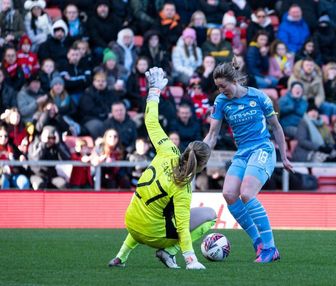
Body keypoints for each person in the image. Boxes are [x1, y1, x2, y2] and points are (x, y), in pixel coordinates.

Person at [108, 67, 216, 269]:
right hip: (153, 235)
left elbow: (150, 121)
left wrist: (154, 91)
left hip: (130, 221)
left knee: (150, 206)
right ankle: (168, 252)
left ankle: (120, 257)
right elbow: (183, 227)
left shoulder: (168, 148)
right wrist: (191, 259)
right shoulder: (183, 185)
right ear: (201, 165)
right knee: (210, 215)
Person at [203, 57, 293, 263]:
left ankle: (270, 248)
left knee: (247, 193)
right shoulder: (221, 102)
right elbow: (212, 135)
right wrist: (199, 156)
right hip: (243, 152)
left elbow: (277, 127)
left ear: (233, 81)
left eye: (223, 86)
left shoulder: (259, 97)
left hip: (262, 148)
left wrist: (285, 157)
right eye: (217, 87)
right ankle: (258, 243)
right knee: (228, 194)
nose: (220, 90)